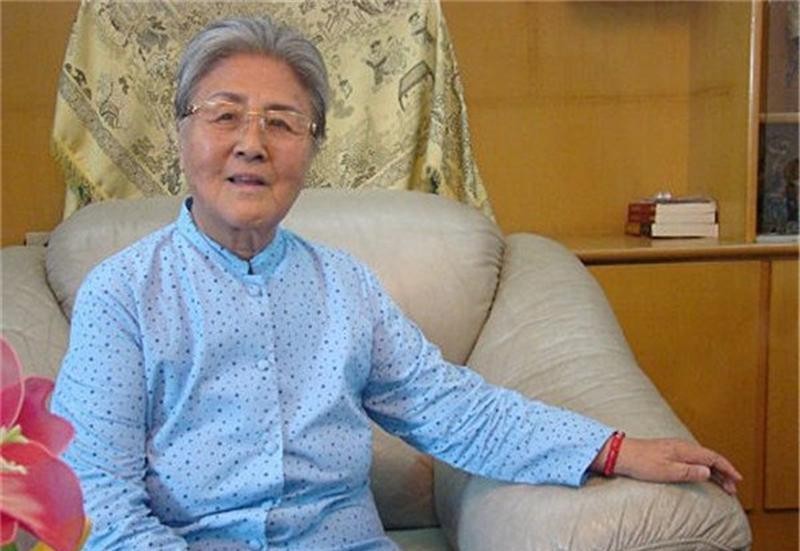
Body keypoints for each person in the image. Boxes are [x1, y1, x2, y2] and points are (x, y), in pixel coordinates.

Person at [52, 16, 742, 551]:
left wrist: (613, 449)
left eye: (282, 123)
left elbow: (453, 410)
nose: (252, 143)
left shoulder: (344, 287)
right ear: (182, 135)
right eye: (224, 114)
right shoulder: (123, 295)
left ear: (311, 149)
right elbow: (98, 496)